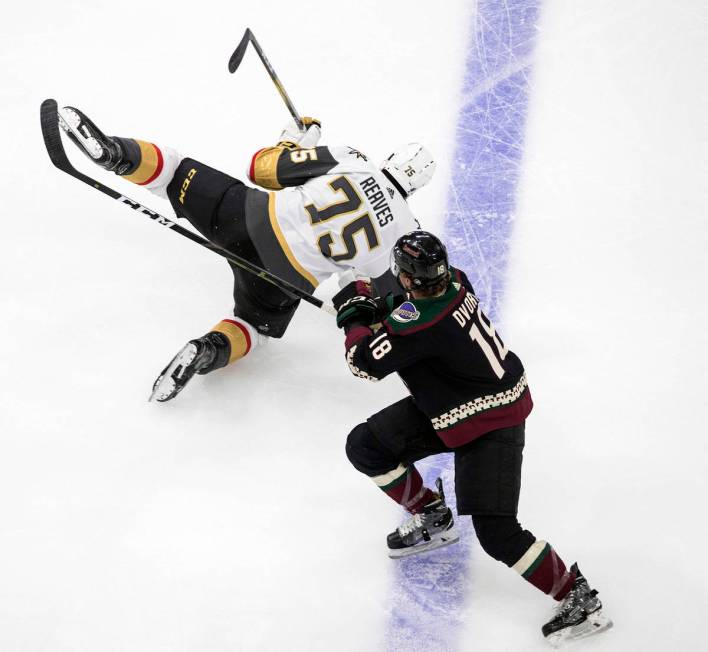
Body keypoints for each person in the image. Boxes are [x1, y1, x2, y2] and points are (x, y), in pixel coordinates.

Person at [332, 230, 612, 645]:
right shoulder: (457, 281)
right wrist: (376, 307)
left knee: (497, 532)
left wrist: (355, 317)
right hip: (455, 401)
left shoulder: (418, 327)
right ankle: (433, 515)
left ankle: (577, 597)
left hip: (492, 420)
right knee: (366, 445)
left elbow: (363, 363)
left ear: (407, 276)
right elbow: (404, 312)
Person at [58, 105, 435, 401]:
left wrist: (294, 140)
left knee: (173, 172)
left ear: (391, 159)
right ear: (415, 189)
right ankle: (209, 349)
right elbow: (383, 296)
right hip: (287, 278)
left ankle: (112, 153)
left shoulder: (354, 159)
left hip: (249, 219)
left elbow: (260, 168)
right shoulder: (405, 232)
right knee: (254, 328)